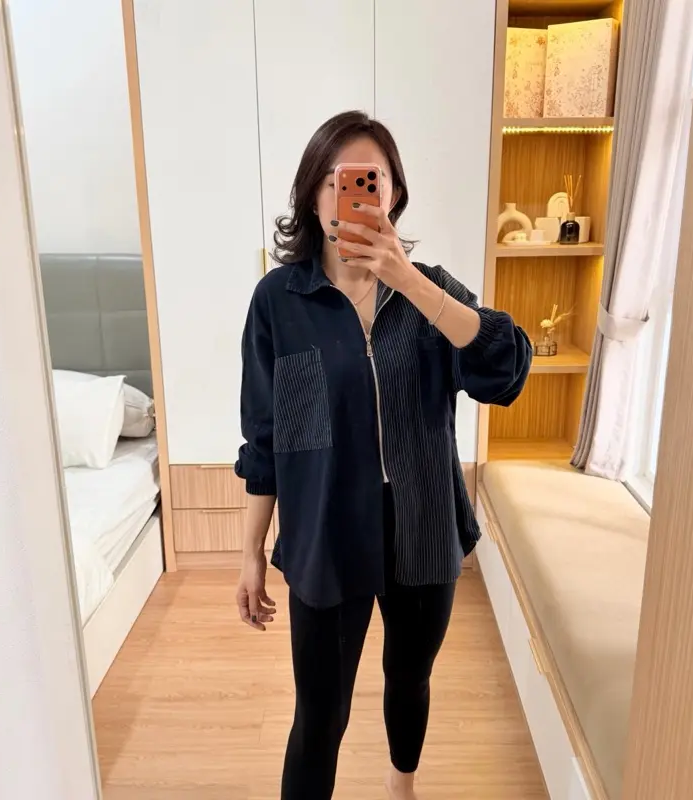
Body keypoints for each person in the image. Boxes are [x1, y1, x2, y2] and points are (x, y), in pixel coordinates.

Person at [234, 110, 531, 800]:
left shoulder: (431, 290)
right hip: (327, 531)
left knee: (409, 677)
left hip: (422, 524)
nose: (355, 194)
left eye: (373, 179)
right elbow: (265, 438)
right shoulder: (279, 301)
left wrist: (412, 283)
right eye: (338, 180)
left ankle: (403, 787)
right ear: (314, 194)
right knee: (319, 715)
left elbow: (505, 370)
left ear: (393, 194)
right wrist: (250, 552)